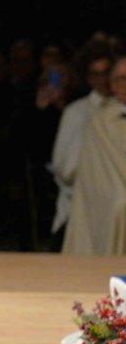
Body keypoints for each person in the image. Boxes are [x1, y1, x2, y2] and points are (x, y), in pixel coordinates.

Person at [49, 39, 115, 245]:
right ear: (88, 78)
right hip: (82, 202)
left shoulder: (119, 110)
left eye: (107, 73)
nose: (103, 80)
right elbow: (65, 169)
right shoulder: (77, 112)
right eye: (97, 74)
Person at [62, 56, 126, 255]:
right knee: (120, 206)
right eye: (122, 78)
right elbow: (98, 169)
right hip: (113, 191)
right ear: (113, 85)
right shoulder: (100, 120)